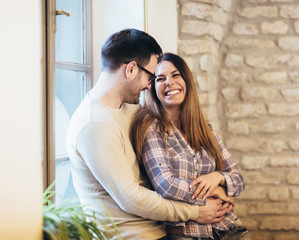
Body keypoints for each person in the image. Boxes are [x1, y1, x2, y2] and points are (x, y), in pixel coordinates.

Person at [66, 29, 230, 240]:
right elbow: (131, 198)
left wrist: (213, 185)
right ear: (131, 69)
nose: (149, 85)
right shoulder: (94, 125)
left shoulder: (130, 110)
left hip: (158, 228)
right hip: (131, 235)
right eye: (151, 76)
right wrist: (197, 211)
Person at [131, 53, 249, 239]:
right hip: (188, 234)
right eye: (160, 79)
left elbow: (239, 181)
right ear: (152, 88)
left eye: (175, 75)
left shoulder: (206, 131)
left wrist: (217, 177)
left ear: (186, 80)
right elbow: (166, 185)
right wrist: (218, 190)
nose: (169, 82)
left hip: (230, 229)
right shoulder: (150, 127)